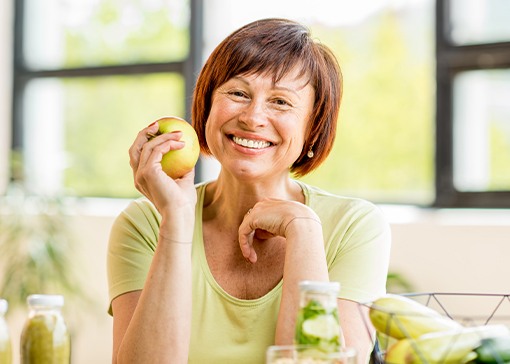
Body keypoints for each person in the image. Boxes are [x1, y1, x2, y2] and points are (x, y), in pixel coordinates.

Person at [107, 18, 391, 364]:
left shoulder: (354, 226)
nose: (253, 117)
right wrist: (177, 222)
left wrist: (302, 230)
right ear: (207, 105)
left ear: (312, 127)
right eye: (238, 93)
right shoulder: (146, 223)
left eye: (281, 102)